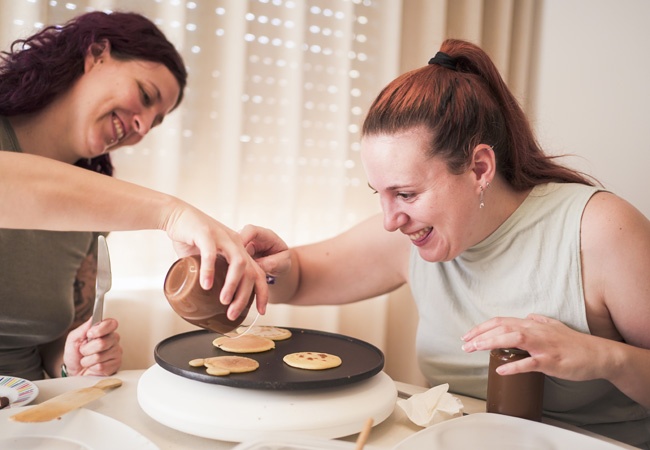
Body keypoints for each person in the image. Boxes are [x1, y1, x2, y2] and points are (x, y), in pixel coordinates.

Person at [240, 39, 650, 448]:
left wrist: (602, 357)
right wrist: (270, 268)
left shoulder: (598, 230)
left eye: (406, 194)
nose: (389, 221)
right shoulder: (413, 236)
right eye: (378, 194)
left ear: (479, 168)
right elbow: (300, 279)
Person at [0, 11, 267, 381]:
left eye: (155, 120)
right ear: (97, 54)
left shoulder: (94, 209)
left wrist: (72, 358)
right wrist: (171, 213)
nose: (142, 126)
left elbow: (45, 346)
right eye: (145, 95)